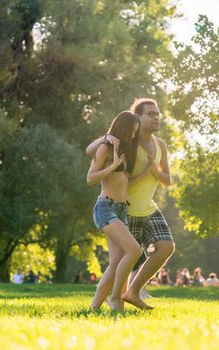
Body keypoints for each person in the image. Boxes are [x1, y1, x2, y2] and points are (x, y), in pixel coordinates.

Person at [87, 98, 175, 309]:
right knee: (119, 262)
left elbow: (167, 181)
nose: (156, 117)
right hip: (125, 209)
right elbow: (92, 152)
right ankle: (108, 302)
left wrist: (153, 171)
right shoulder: (127, 141)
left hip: (149, 207)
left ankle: (131, 292)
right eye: (150, 114)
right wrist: (107, 138)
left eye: (157, 114)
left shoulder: (160, 145)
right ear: (137, 117)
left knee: (166, 247)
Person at [88, 111, 142, 312]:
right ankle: (115, 298)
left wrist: (146, 172)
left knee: (115, 263)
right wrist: (113, 166)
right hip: (105, 208)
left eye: (135, 132)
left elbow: (124, 182)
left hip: (121, 210)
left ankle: (94, 308)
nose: (133, 136)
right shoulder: (106, 148)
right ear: (122, 127)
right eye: (131, 131)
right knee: (135, 250)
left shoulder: (125, 151)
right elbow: (90, 178)